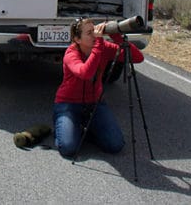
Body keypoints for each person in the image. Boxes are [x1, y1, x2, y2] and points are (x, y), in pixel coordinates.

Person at [52, 18, 143, 158]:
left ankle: (83, 129)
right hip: (68, 104)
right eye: (89, 33)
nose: (95, 35)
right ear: (77, 39)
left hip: (95, 103)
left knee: (115, 145)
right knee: (68, 148)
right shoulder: (71, 53)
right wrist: (99, 45)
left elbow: (137, 58)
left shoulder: (103, 47)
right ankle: (69, 127)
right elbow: (85, 73)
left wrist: (116, 36)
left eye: (94, 31)